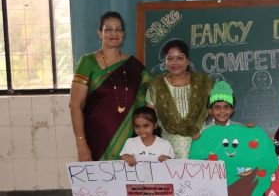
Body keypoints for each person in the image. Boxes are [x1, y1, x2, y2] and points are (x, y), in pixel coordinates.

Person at [69, 11, 150, 161]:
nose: (114, 33)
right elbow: (75, 105)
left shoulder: (135, 66)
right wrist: (81, 143)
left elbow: (151, 97)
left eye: (118, 29)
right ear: (100, 33)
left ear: (123, 34)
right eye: (108, 29)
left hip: (129, 140)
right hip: (96, 139)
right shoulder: (88, 62)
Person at [146, 39, 213, 158]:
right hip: (168, 148)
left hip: (200, 141)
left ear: (187, 61)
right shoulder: (156, 86)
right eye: (170, 58)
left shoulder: (203, 83)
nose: (175, 63)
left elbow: (216, 110)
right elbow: (149, 118)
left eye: (179, 58)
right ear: (165, 62)